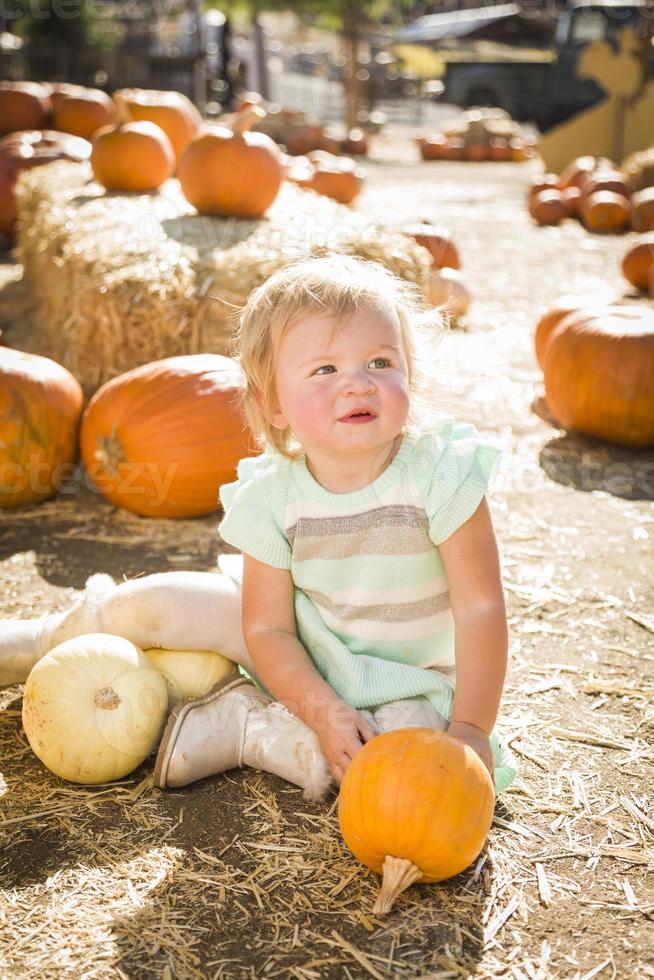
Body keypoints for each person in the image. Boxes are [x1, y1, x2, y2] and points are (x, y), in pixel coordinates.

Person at [0, 255, 515, 801]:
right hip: (295, 645)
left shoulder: (442, 473)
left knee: (398, 761)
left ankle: (250, 730)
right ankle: (45, 640)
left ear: (410, 372)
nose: (358, 385)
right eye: (325, 370)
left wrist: (470, 729)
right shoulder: (273, 493)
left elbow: (481, 607)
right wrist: (320, 705)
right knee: (154, 604)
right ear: (273, 404)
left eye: (381, 363)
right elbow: (266, 628)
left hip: (407, 680)